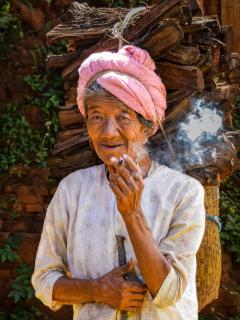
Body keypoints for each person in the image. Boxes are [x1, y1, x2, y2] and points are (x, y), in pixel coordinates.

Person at [32, 45, 205, 320]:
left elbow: (168, 293)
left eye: (123, 117)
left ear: (148, 127)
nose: (108, 132)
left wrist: (132, 213)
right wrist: (99, 290)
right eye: (96, 117)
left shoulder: (183, 193)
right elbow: (43, 283)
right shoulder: (72, 191)